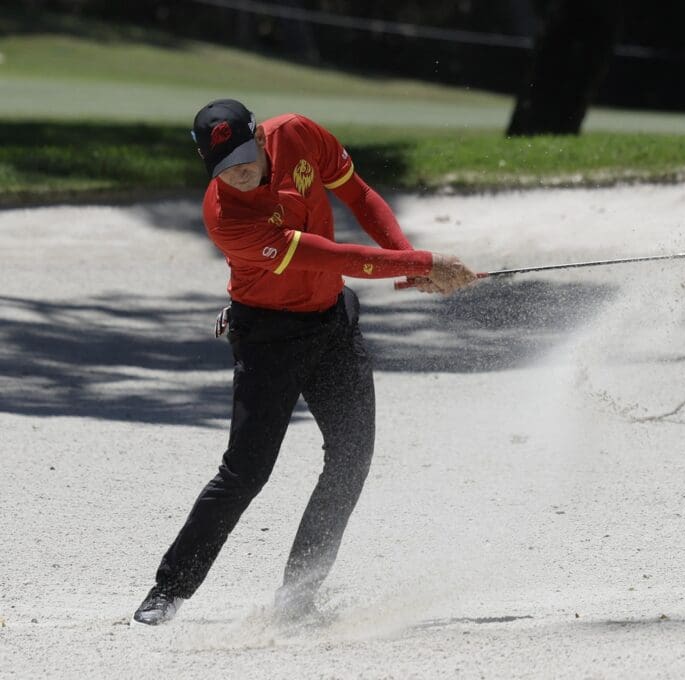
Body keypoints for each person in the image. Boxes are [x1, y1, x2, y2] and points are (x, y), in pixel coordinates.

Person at [132, 99, 477, 625]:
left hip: (333, 322)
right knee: (246, 472)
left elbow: (357, 194)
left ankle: (298, 597)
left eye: (245, 157)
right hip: (268, 336)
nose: (239, 173)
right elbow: (330, 256)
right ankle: (169, 589)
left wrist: (408, 258)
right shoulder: (226, 217)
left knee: (350, 458)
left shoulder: (299, 134)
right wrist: (423, 262)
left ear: (262, 138)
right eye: (224, 167)